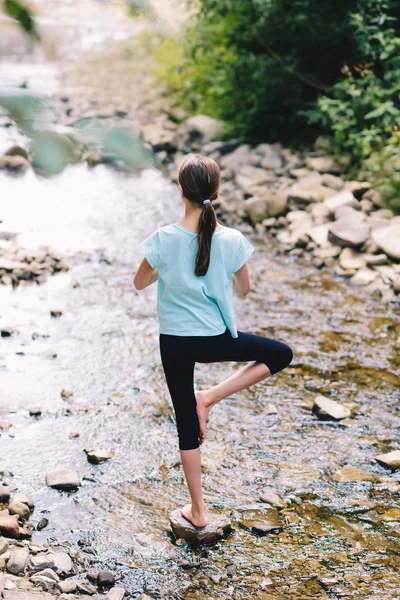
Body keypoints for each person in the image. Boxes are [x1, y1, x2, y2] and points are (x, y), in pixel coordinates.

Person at [133, 154, 293, 528]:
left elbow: (141, 282)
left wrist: (168, 271)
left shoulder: (163, 238)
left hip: (174, 341)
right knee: (281, 353)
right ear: (216, 193)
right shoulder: (233, 239)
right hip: (217, 338)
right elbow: (244, 288)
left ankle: (198, 511)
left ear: (180, 191)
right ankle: (211, 396)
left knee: (185, 424)